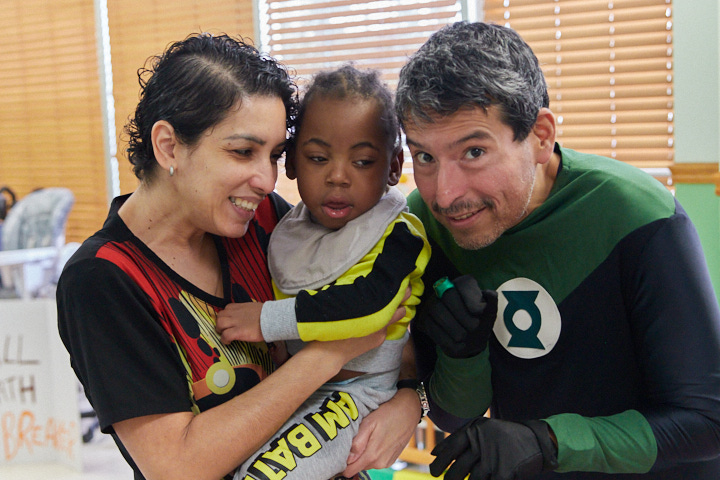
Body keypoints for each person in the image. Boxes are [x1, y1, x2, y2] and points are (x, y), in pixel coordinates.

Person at [56, 34, 422, 480]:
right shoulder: (104, 278)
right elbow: (177, 467)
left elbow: (390, 306)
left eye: (275, 155)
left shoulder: (267, 223)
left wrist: (409, 398)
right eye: (243, 152)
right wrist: (331, 352)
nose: (267, 180)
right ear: (169, 146)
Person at [396, 21, 720, 480]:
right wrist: (463, 355)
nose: (445, 195)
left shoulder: (637, 216)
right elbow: (453, 416)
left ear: (541, 136)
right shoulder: (424, 224)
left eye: (473, 152)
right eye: (425, 157)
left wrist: (548, 441)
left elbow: (706, 422)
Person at [214, 64, 432, 480]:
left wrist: (266, 320)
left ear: (393, 167)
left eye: (363, 161)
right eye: (317, 158)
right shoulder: (285, 226)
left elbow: (369, 308)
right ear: (292, 162)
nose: (337, 176)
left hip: (358, 392)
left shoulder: (399, 233)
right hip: (296, 389)